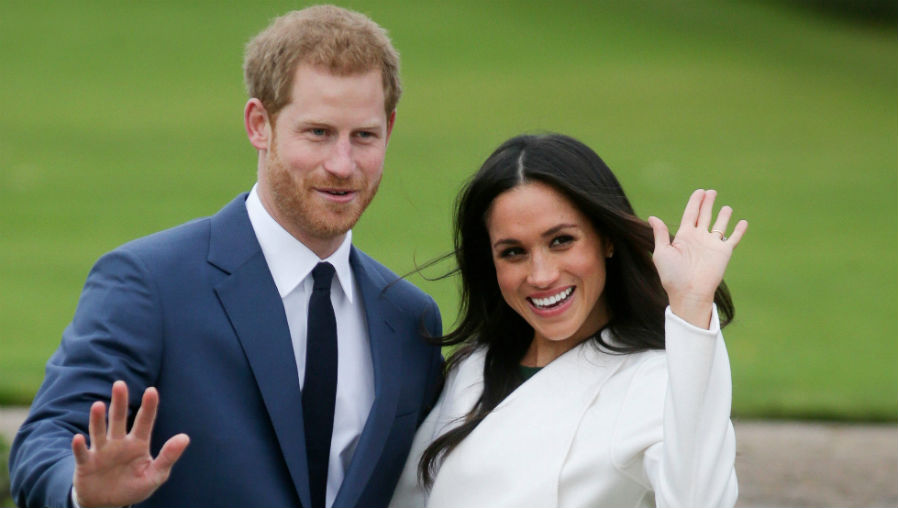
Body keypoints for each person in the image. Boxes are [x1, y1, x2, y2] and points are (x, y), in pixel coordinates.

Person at [9, 6, 443, 508]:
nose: (343, 165)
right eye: (318, 132)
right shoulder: (150, 284)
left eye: (363, 135)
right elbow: (48, 437)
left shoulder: (410, 320)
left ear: (389, 128)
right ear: (260, 124)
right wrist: (81, 492)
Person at [390, 133, 747, 508]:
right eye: (513, 252)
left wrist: (691, 306)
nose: (541, 275)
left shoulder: (653, 381)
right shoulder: (473, 368)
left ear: (606, 239)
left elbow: (700, 500)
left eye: (561, 241)